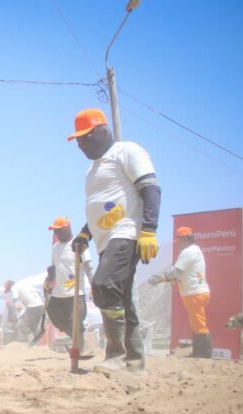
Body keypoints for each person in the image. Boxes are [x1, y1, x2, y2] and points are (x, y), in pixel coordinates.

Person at [68, 108, 161, 375]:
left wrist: (149, 231)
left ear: (102, 130)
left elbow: (150, 189)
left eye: (85, 137)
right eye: (77, 141)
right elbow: (99, 209)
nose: (81, 144)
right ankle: (134, 364)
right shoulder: (92, 170)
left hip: (127, 231)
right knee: (123, 299)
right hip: (105, 240)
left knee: (103, 284)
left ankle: (116, 356)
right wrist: (85, 234)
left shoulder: (126, 151)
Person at [149, 226, 212, 358]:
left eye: (180, 241)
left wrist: (162, 278)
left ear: (185, 239)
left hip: (194, 293)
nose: (179, 245)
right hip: (197, 292)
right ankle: (198, 352)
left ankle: (204, 354)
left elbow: (176, 271)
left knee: (199, 324)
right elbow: (181, 274)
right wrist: (165, 279)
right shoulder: (195, 250)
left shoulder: (188, 252)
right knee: (196, 323)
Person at [44, 217, 94, 349]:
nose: (56, 234)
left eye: (59, 230)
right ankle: (77, 338)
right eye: (55, 231)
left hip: (75, 293)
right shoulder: (55, 247)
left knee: (76, 321)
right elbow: (54, 267)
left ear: (67, 229)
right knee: (54, 315)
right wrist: (49, 279)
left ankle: (81, 345)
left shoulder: (78, 244)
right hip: (58, 293)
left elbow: (88, 266)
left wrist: (94, 284)